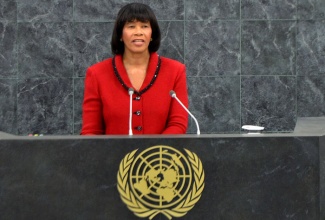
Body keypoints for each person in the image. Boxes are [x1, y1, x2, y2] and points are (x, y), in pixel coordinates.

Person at [81, 3, 188, 135]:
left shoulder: (175, 71)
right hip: (112, 155)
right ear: (120, 34)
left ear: (152, 34)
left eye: (144, 26)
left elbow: (178, 124)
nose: (138, 32)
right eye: (131, 26)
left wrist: (152, 154)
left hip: (159, 154)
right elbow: (91, 131)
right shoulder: (97, 74)